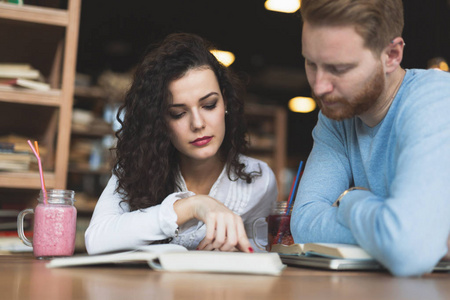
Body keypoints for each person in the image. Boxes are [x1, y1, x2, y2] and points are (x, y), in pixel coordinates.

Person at [291, 0, 450, 277]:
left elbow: (408, 248)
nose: (319, 87)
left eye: (339, 68)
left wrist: (350, 201)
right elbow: (303, 222)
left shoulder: (434, 98)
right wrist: (392, 227)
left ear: (391, 54)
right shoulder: (335, 117)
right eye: (311, 63)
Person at [85, 33, 278, 255]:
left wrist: (238, 250)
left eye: (209, 105)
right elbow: (96, 240)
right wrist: (193, 206)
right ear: (161, 121)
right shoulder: (135, 170)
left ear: (225, 102)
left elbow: (264, 252)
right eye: (178, 113)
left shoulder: (258, 179)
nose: (198, 123)